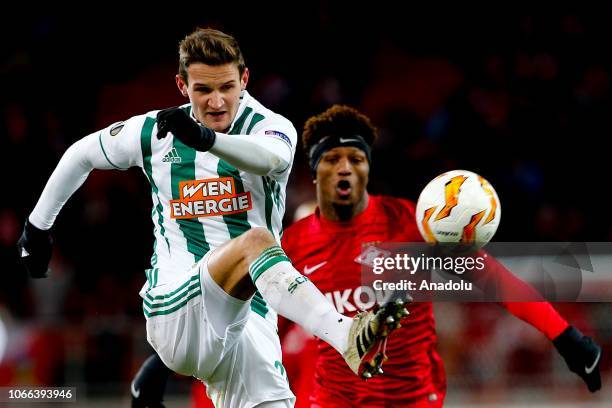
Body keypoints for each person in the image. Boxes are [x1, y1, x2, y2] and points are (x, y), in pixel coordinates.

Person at [15, 29, 408, 408]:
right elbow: (81, 154)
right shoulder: (155, 131)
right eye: (203, 90)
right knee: (256, 241)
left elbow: (274, 158)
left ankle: (168, 364)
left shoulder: (270, 127)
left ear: (245, 79)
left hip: (248, 321)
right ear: (182, 86)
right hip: (173, 305)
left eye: (226, 87)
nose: (217, 101)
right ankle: (345, 335)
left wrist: (207, 140)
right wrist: (37, 227)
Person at [277, 105, 603, 407]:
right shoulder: (293, 244)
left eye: (356, 158)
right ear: (314, 170)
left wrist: (566, 336)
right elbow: (262, 329)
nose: (345, 169)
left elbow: (494, 280)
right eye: (333, 158)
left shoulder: (410, 225)